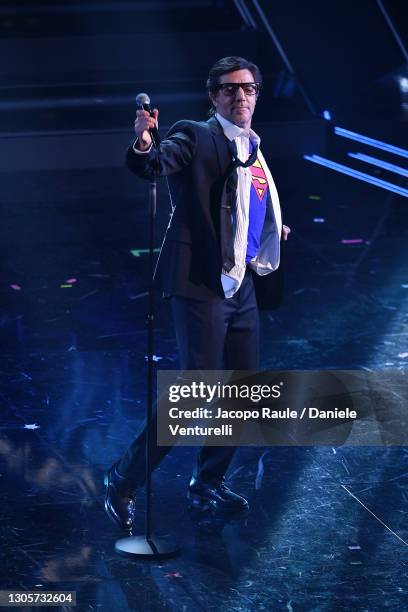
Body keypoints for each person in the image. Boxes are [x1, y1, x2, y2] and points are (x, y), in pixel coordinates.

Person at [104, 56, 290, 531]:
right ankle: (123, 481)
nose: (240, 97)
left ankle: (207, 482)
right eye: (229, 90)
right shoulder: (196, 133)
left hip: (241, 282)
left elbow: (243, 205)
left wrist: (271, 230)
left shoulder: (251, 146)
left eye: (248, 89)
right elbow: (155, 163)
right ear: (214, 97)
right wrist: (145, 141)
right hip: (199, 282)